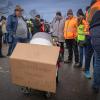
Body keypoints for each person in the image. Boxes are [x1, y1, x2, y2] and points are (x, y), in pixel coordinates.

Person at [88, 0, 100, 93]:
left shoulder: (92, 8)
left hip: (94, 31)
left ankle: (96, 85)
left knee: (97, 61)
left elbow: (88, 21)